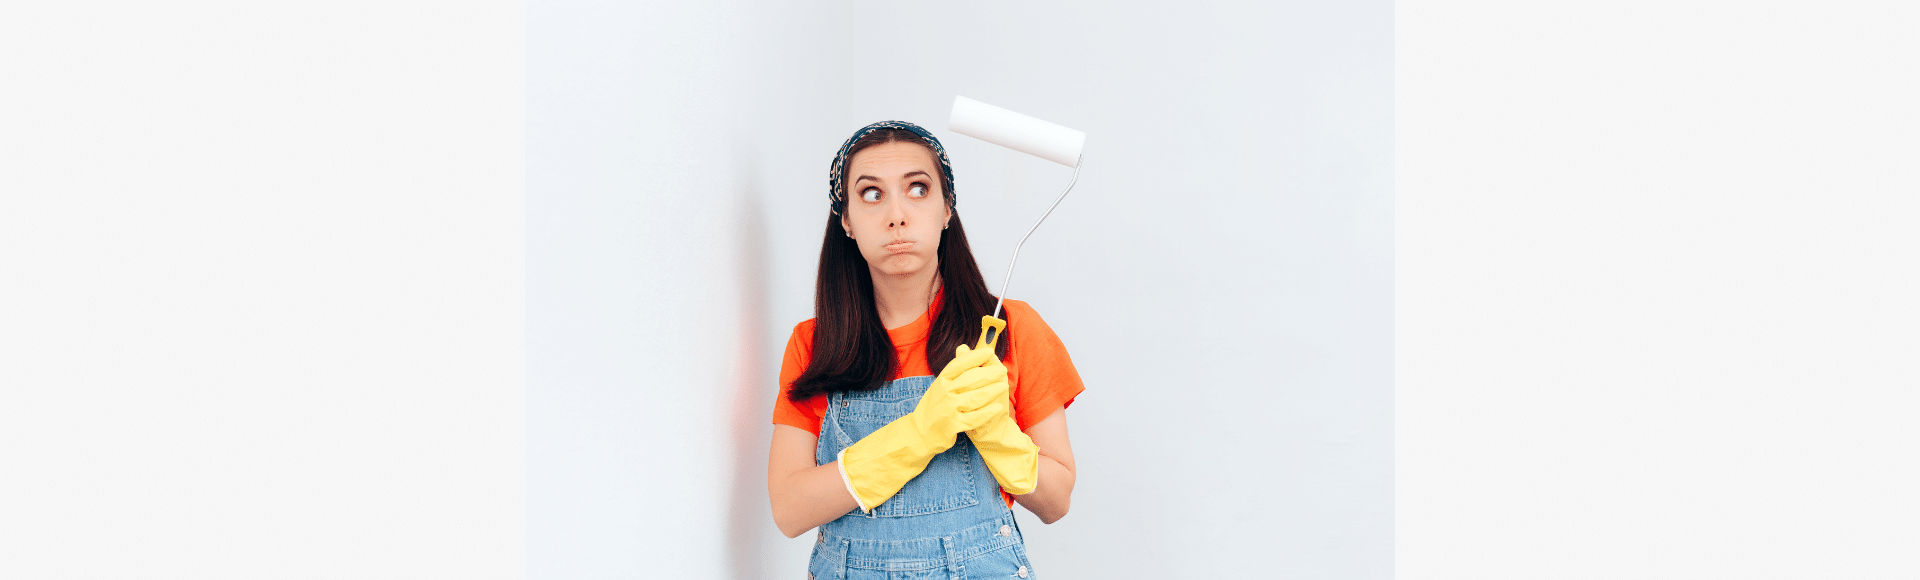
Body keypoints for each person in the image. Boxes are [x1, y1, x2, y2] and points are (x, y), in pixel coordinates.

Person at [768, 121, 1084, 579]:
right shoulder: (815, 344)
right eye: (872, 194)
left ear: (946, 210)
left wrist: (997, 433)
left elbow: (1057, 502)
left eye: (917, 188)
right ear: (847, 222)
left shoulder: (1010, 329)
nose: (896, 214)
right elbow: (789, 510)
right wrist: (918, 434)